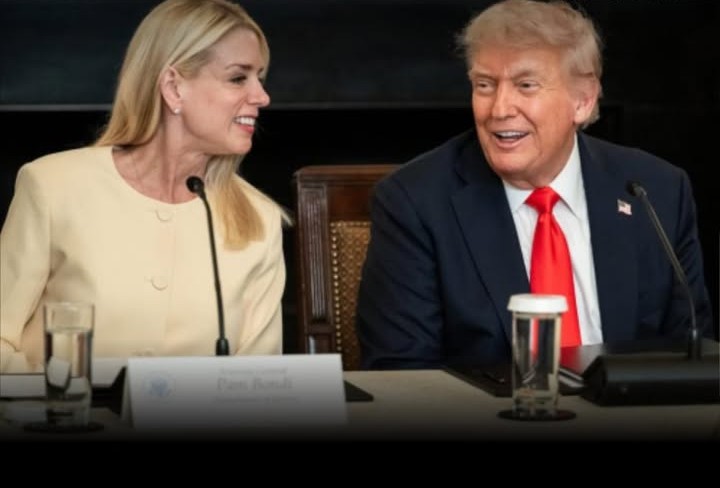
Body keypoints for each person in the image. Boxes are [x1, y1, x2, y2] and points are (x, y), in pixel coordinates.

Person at [356, 0, 714, 370]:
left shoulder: (655, 191)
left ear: (582, 100)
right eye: (484, 85)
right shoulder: (415, 201)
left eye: (526, 86)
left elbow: (692, 357)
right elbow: (401, 371)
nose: (499, 109)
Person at [0, 0, 288, 373]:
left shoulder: (260, 219)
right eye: (238, 78)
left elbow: (259, 383)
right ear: (173, 87)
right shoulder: (53, 186)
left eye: (260, 78)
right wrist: (50, 399)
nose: (262, 97)